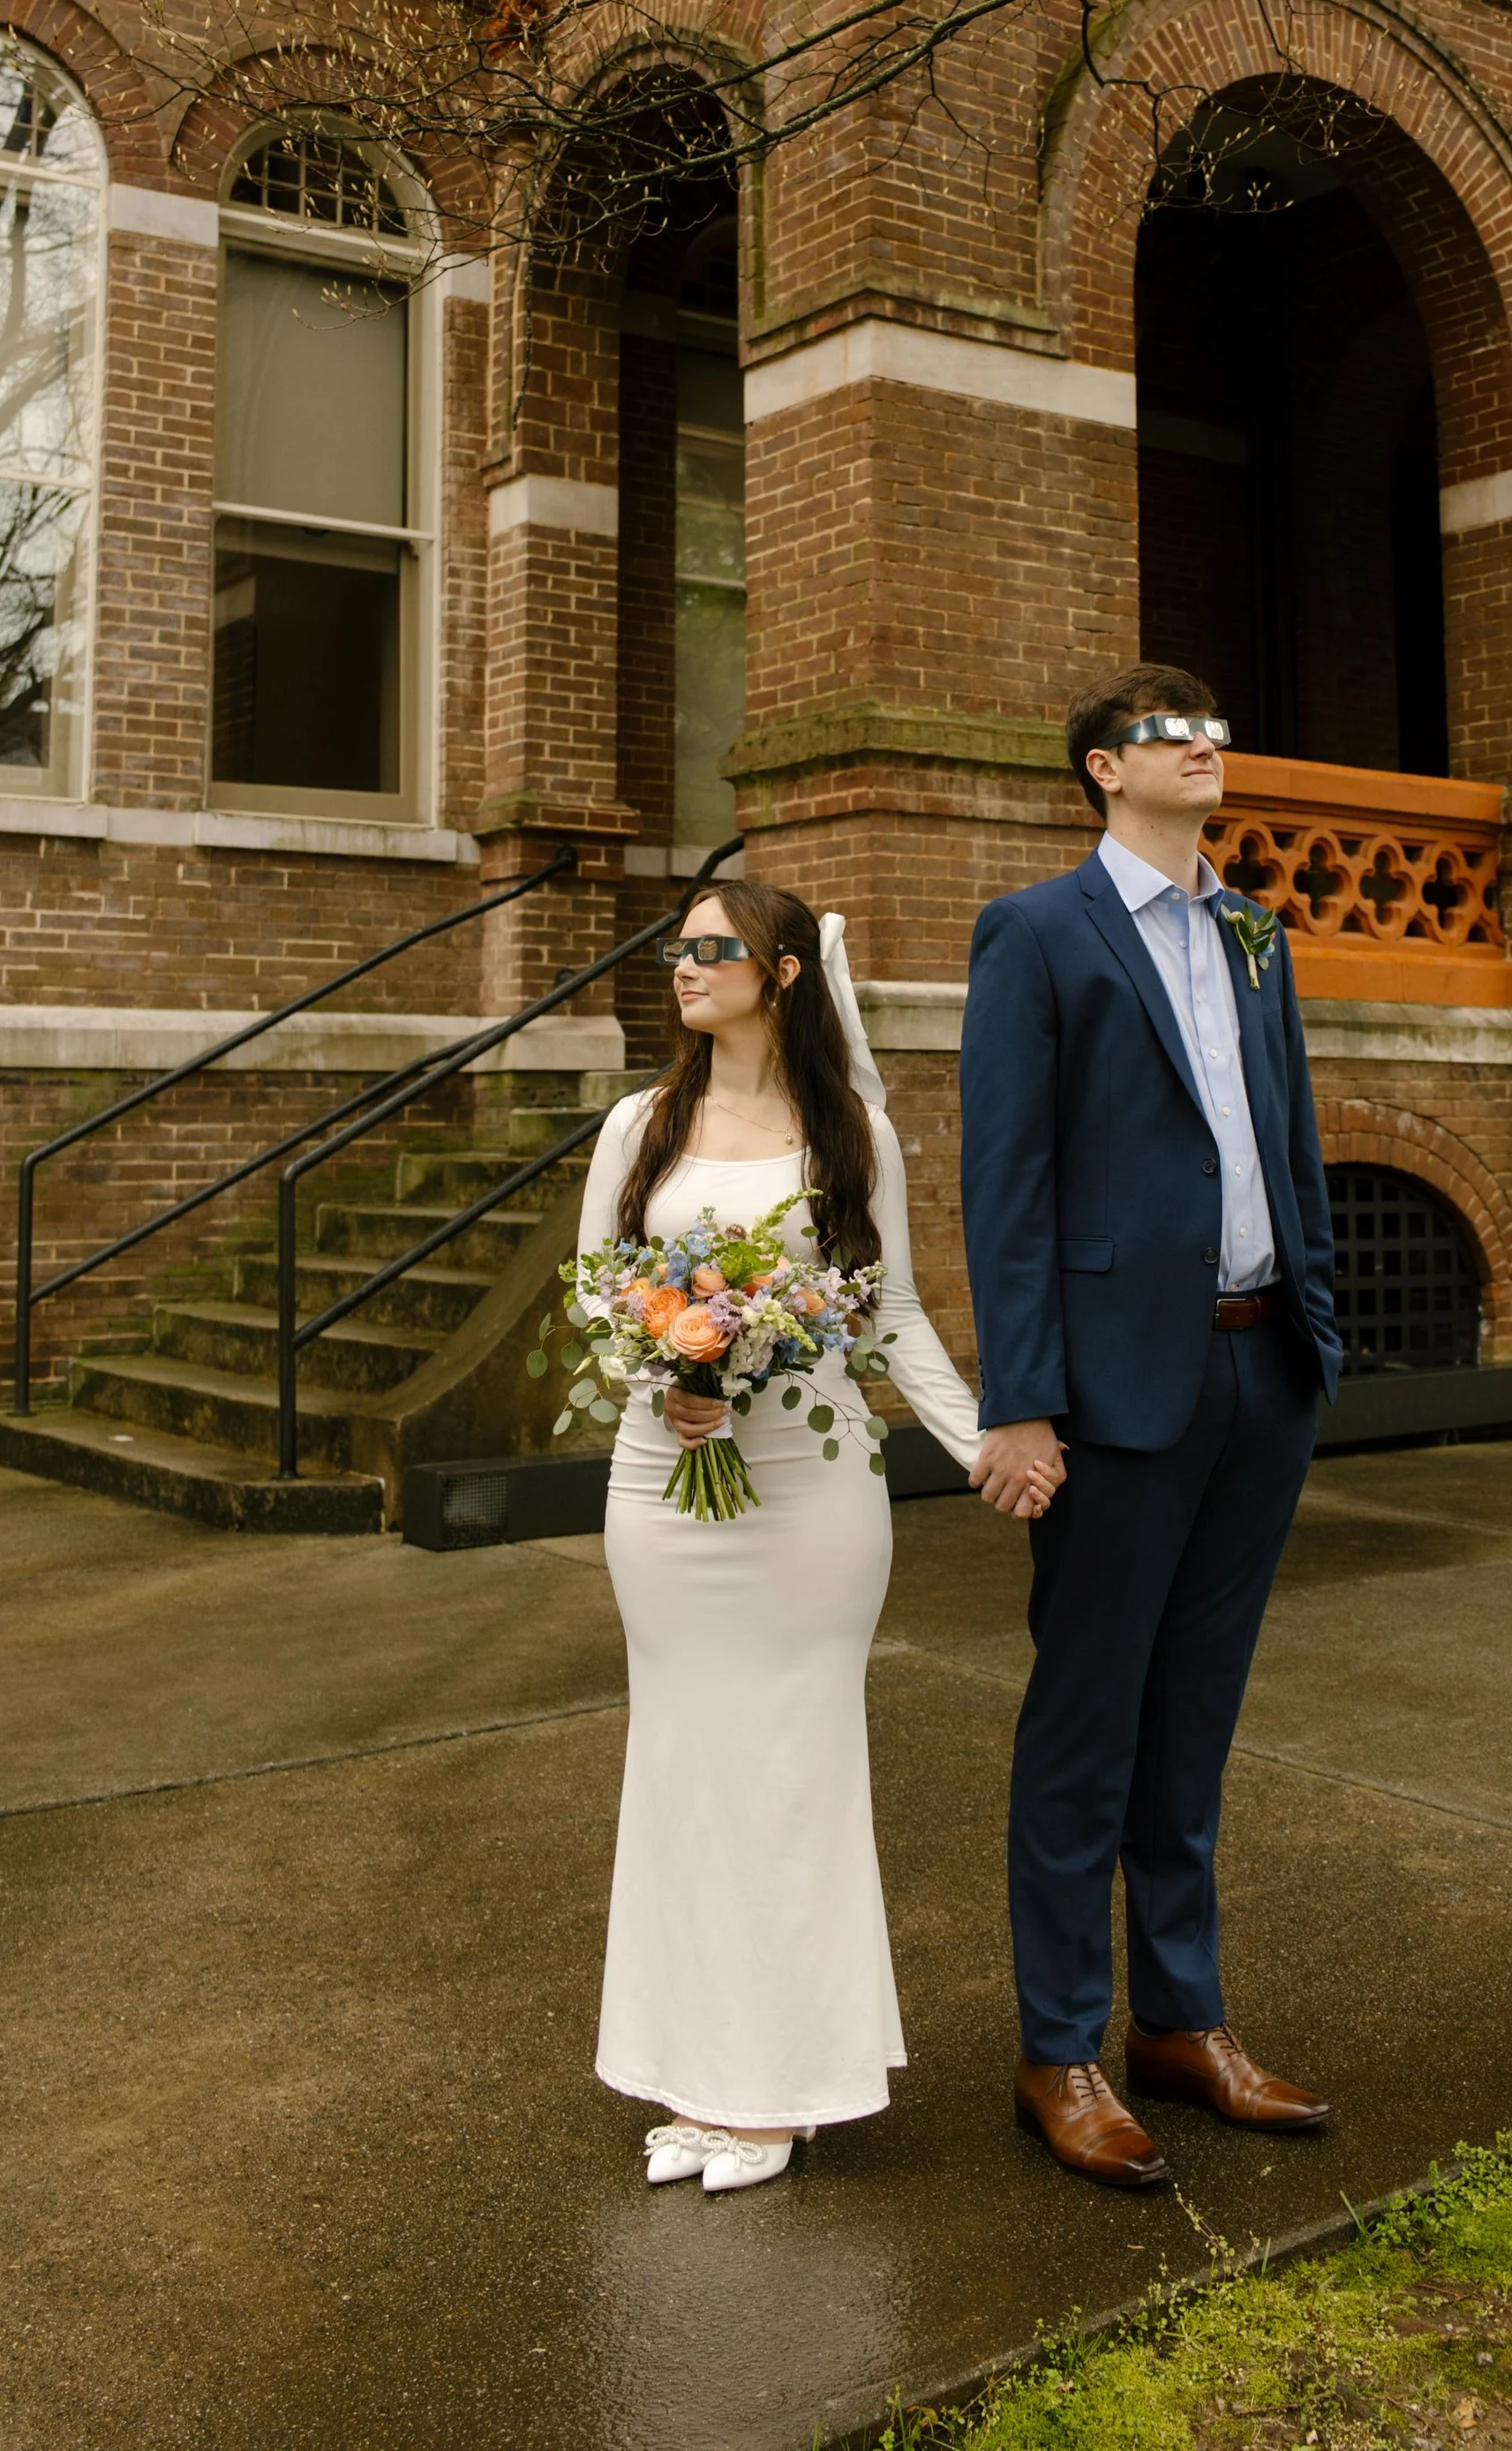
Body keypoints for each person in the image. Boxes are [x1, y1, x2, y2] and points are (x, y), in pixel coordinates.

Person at [583, 876, 1034, 2195]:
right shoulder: (640, 1124)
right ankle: (696, 2071)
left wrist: (979, 1441)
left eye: (715, 948)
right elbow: (599, 1292)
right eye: (678, 949)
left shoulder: (855, 1136)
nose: (687, 966)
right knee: (681, 1768)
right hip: (662, 1491)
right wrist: (656, 1368)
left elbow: (889, 1312)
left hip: (811, 1495)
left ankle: (779, 2089)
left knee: (791, 1769)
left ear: (783, 974)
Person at [959, 662, 1345, 2192]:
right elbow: (1011, 1182)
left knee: (1194, 1721)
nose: (1207, 748)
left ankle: (1183, 2026)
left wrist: (1316, 1333)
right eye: (1174, 734)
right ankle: (1058, 2046)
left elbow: (1292, 1136)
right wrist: (1024, 1399)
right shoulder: (1038, 933)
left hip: (1262, 1377)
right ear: (1104, 773)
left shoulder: (1258, 932)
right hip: (1114, 1393)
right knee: (1085, 1725)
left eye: (1218, 729)